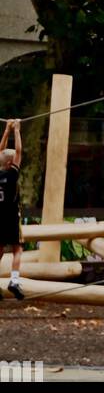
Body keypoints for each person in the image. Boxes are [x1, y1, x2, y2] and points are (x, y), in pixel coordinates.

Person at [0, 119, 24, 300]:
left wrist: (6, 129)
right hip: (11, 216)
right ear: (10, 163)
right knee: (17, 248)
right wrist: (17, 129)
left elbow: (0, 151)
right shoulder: (11, 174)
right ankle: (14, 280)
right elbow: (18, 151)